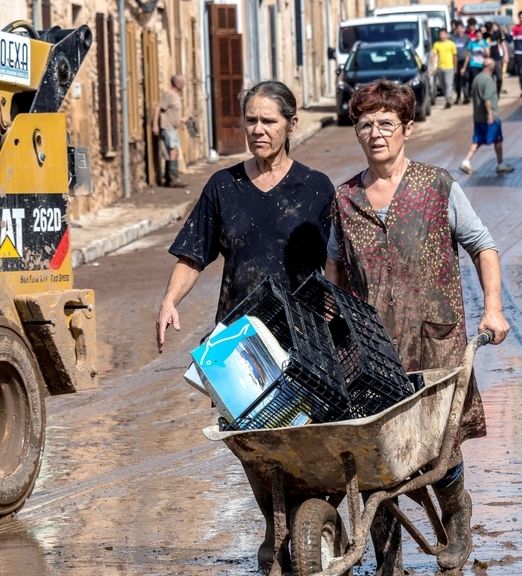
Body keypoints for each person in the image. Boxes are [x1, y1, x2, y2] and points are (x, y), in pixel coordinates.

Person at [326, 79, 510, 575]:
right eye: (365, 125)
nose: (375, 133)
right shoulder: (344, 200)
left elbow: (482, 245)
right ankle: (388, 555)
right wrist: (331, 323)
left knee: (439, 448)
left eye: (386, 123)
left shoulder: (438, 186)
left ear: (407, 128)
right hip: (371, 351)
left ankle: (457, 516)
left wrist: (493, 308)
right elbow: (334, 274)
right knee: (374, 455)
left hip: (436, 343)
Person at [156, 80, 335, 571]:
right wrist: (170, 300)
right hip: (241, 346)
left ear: (291, 125)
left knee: (306, 438)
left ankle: (302, 521)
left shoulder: (316, 188)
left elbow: (337, 263)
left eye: (269, 121)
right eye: (251, 121)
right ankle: (277, 526)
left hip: (301, 340)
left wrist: (340, 313)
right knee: (253, 446)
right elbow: (194, 255)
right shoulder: (224, 187)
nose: (257, 130)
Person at [459, 58, 514, 175]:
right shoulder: (488, 80)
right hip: (489, 117)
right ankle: (500, 164)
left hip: (478, 117)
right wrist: (490, 114)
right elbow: (487, 99)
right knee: (498, 139)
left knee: (477, 140)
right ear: (490, 67)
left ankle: (466, 161)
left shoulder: (477, 78)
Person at [152, 74, 190, 187]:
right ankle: (172, 179)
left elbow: (172, 113)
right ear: (177, 83)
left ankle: (171, 178)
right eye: (182, 82)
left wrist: (182, 119)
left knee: (174, 152)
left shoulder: (177, 96)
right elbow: (158, 108)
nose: (184, 84)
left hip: (173, 128)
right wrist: (155, 125)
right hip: (167, 127)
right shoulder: (169, 95)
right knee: (173, 151)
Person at [431, 29, 457, 108]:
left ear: (446, 35)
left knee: (448, 84)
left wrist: (455, 67)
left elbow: (454, 56)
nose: (441, 35)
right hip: (440, 68)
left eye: (443, 33)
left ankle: (448, 100)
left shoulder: (451, 44)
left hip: (449, 67)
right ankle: (448, 98)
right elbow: (434, 55)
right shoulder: (436, 44)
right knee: (442, 85)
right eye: (440, 34)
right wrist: (433, 66)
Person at [464, 29, 488, 102]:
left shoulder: (485, 42)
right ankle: (474, 95)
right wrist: (464, 67)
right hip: (473, 64)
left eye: (479, 34)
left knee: (482, 80)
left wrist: (483, 47)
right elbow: (467, 56)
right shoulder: (471, 43)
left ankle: (482, 95)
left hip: (482, 64)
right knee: (475, 80)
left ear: (482, 35)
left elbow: (487, 55)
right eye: (477, 34)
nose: (478, 36)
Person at [452, 20, 470, 104]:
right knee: (457, 81)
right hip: (455, 61)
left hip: (464, 61)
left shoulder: (467, 38)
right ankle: (458, 97)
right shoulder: (452, 38)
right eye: (458, 29)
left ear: (463, 29)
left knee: (465, 79)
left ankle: (466, 97)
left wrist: (465, 66)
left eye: (461, 28)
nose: (459, 30)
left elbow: (468, 52)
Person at [488, 22, 508, 95]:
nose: (493, 28)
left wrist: (506, 55)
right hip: (489, 60)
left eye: (494, 26)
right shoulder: (485, 36)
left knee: (499, 77)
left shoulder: (498, 35)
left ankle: (498, 92)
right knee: (490, 78)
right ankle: (492, 93)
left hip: (498, 59)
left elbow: (503, 44)